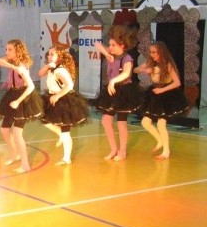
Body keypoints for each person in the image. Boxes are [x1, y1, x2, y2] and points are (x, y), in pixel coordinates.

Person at [93, 25, 143, 161]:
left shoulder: (126, 58)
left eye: (113, 45)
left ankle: (123, 151)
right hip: (112, 91)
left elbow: (127, 73)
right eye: (109, 44)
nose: (110, 47)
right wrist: (105, 50)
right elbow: (97, 44)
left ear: (122, 45)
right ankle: (114, 149)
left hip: (124, 92)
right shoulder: (111, 57)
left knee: (121, 123)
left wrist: (113, 81)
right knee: (105, 121)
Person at [0, 39, 44, 173]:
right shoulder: (13, 63)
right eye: (6, 49)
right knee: (4, 130)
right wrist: (12, 68)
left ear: (18, 51)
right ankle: (14, 154)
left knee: (17, 133)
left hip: (22, 99)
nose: (7, 52)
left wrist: (18, 101)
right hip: (12, 95)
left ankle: (25, 165)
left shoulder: (22, 66)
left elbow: (31, 86)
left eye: (10, 49)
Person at [134, 41, 188, 159]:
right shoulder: (151, 63)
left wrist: (162, 91)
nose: (152, 54)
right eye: (150, 52)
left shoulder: (168, 64)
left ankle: (166, 151)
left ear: (161, 52)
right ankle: (160, 141)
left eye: (154, 52)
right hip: (155, 94)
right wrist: (143, 69)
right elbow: (135, 70)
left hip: (166, 95)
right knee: (145, 122)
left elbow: (177, 83)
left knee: (161, 123)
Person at [38, 46, 89, 165]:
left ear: (59, 56)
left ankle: (67, 158)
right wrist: (47, 66)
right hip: (53, 97)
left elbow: (69, 85)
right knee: (44, 119)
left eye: (52, 54)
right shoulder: (52, 69)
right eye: (48, 54)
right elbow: (40, 73)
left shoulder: (60, 70)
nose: (49, 56)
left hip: (64, 100)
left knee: (65, 130)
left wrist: (58, 96)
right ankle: (59, 134)